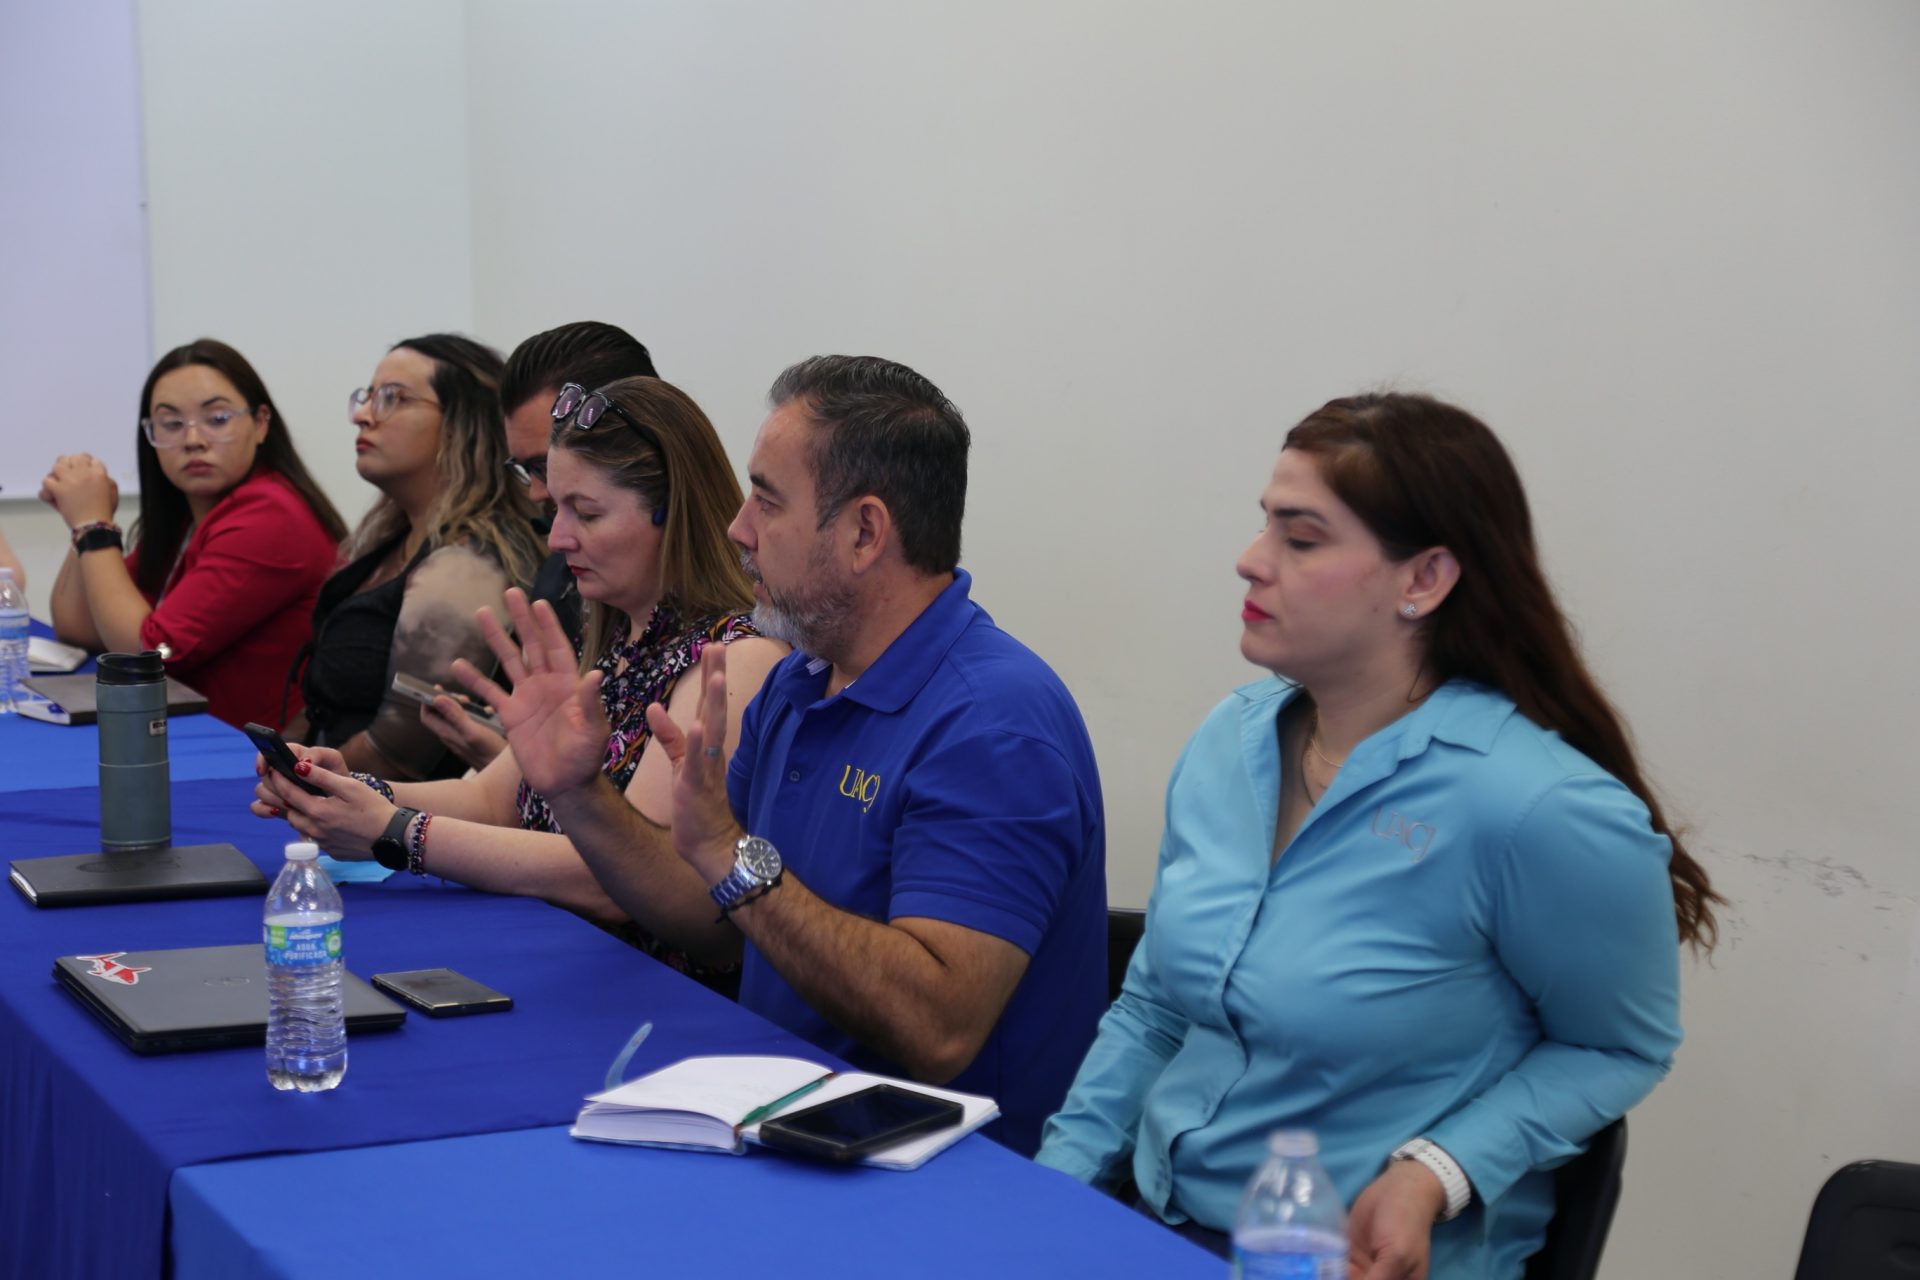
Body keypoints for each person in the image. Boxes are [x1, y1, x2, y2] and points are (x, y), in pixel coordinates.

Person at [1035, 393, 1721, 1279]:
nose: (1251, 560)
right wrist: (1053, 1192)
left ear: (1423, 580)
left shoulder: (1537, 808)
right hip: (1161, 1223)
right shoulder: (1230, 739)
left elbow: (1617, 1046)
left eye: (1301, 538)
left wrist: (1436, 1171)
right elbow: (1157, 1008)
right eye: (1265, 525)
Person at [462, 355, 1108, 1156]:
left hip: (938, 1179)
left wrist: (733, 859)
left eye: (767, 501)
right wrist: (579, 792)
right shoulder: (800, 681)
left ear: (864, 533)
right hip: (781, 1126)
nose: (738, 528)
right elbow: (719, 920)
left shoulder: (993, 724)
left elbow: (937, 1027)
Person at [252, 377, 785, 979]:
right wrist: (352, 790)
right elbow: (490, 800)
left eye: (587, 513)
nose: (557, 538)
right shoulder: (617, 639)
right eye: (555, 510)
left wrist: (397, 832)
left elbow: (619, 878)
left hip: (655, 997)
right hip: (576, 965)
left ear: (674, 514)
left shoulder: (733, 660)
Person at [38, 340, 343, 728]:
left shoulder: (270, 516)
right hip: (184, 727)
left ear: (261, 423)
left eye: (217, 419)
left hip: (245, 750)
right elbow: (79, 628)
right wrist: (87, 522)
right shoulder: (188, 516)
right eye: (171, 424)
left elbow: (149, 653)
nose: (193, 440)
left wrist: (92, 527)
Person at [290, 333, 544, 780]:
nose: (363, 415)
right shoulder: (395, 541)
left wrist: (297, 779)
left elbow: (399, 752)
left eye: (393, 398)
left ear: (462, 424)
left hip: (389, 811)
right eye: (368, 396)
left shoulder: (469, 565)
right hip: (339, 793)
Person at [418, 321, 660, 772]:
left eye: (543, 466)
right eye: (524, 469)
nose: (534, 492)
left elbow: (619, 808)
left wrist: (519, 770)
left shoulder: (728, 645)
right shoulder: (561, 573)